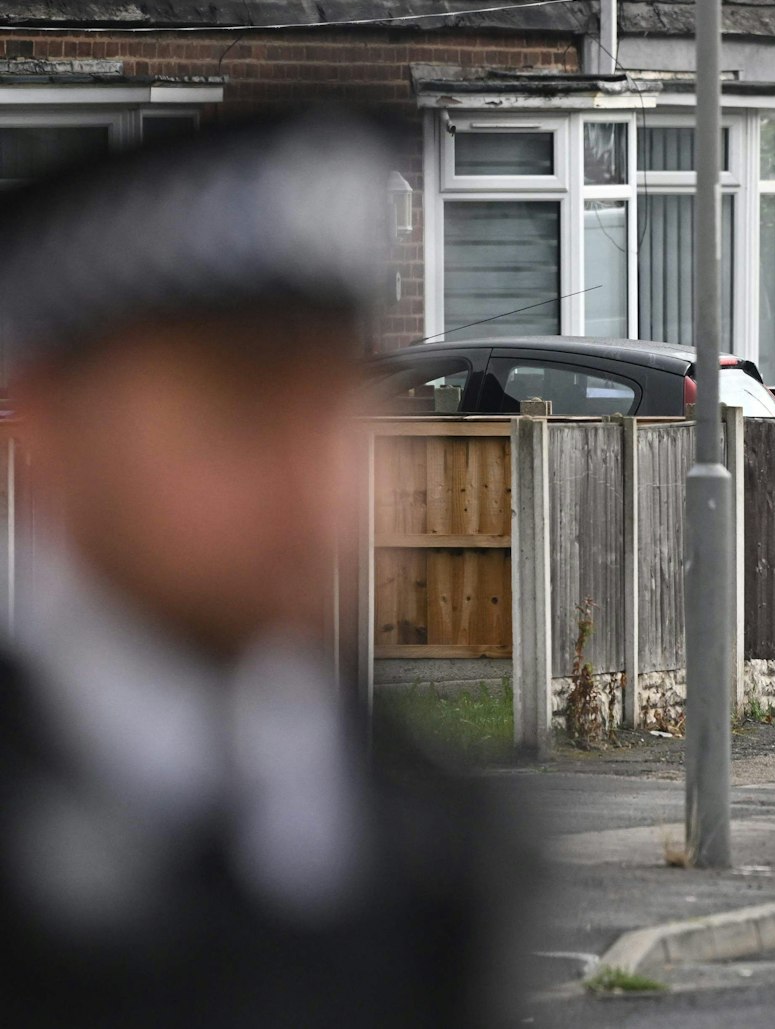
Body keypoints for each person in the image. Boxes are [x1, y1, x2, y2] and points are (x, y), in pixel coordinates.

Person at [0, 114, 525, 1028]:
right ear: (48, 420)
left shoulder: (426, 824)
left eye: (332, 396)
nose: (308, 472)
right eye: (238, 399)